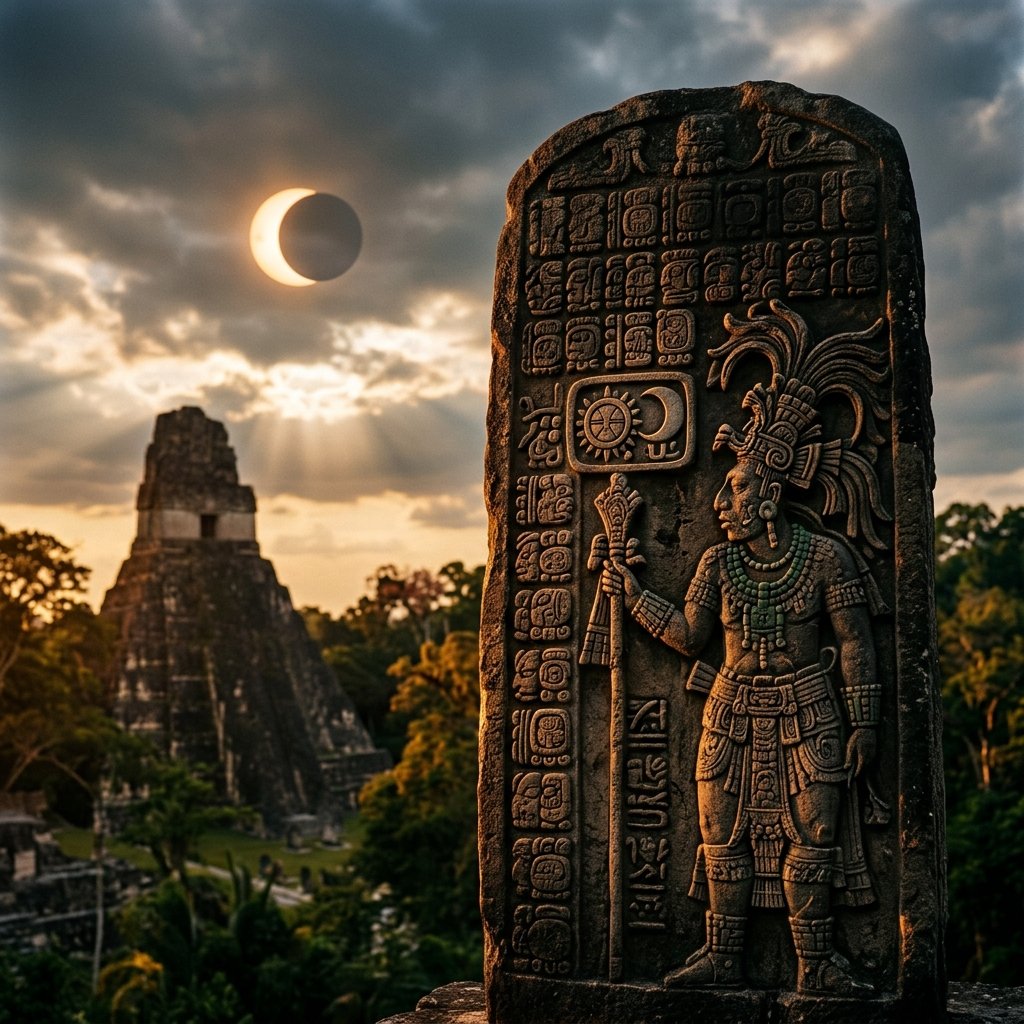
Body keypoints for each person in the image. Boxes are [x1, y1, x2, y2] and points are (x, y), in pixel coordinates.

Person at [601, 300, 889, 994]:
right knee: (721, 837)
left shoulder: (826, 559)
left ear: (765, 498)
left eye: (732, 490)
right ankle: (723, 956)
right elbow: (690, 636)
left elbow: (853, 642)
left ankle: (815, 964)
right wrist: (632, 595)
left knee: (811, 841)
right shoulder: (715, 567)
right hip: (729, 712)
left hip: (810, 711)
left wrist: (867, 721)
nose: (718, 504)